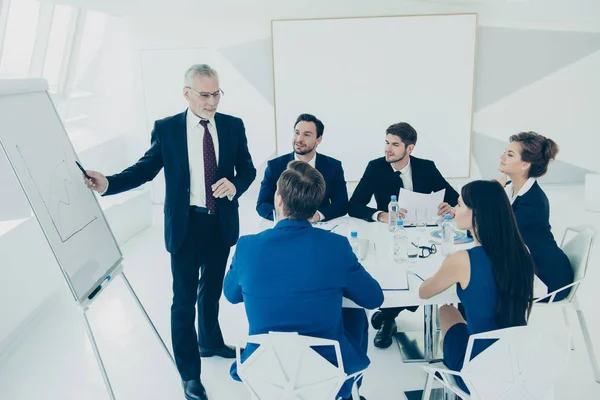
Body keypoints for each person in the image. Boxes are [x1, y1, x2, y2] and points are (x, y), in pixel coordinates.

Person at [82, 64, 256, 400]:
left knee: (212, 291)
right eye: (205, 94)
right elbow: (145, 169)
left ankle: (210, 341)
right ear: (186, 93)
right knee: (184, 301)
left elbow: (247, 169)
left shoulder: (233, 126)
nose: (212, 101)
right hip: (185, 226)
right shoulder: (168, 129)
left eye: (217, 93)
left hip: (219, 222)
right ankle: (190, 374)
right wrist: (109, 184)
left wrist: (234, 185)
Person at [224, 161, 383, 400]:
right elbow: (373, 298)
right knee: (356, 314)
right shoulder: (336, 246)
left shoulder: (247, 246)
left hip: (265, 367)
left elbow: (231, 294)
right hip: (326, 368)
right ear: (316, 205)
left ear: (278, 200)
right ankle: (348, 392)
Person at [348, 122, 459, 349]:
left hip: (424, 234)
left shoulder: (427, 167)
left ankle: (388, 316)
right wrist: (380, 215)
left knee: (423, 275)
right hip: (391, 234)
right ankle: (388, 317)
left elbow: (454, 196)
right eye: (387, 143)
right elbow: (354, 205)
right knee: (395, 276)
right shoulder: (376, 167)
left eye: (395, 145)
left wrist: (450, 207)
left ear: (410, 149)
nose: (388, 149)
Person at [419, 180, 535, 393]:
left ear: (477, 214)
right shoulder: (523, 252)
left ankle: (449, 369)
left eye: (460, 205)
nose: (454, 210)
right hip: (516, 366)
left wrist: (436, 275)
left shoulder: (462, 260)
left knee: (446, 310)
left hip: (476, 373)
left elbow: (424, 293)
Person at [497, 132, 573, 301]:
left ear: (525, 164)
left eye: (509, 154)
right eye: (505, 152)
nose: (502, 156)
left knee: (476, 285)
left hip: (546, 278)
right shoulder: (509, 189)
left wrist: (491, 195)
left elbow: (499, 235)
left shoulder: (534, 201)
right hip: (524, 267)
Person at [256, 113, 348, 222]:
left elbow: (342, 204)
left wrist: (317, 215)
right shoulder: (275, 166)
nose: (299, 139)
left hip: (319, 228)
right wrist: (284, 217)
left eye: (307, 134)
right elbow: (262, 204)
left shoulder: (333, 166)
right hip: (284, 227)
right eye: (297, 133)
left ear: (318, 139)